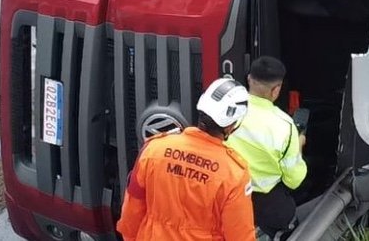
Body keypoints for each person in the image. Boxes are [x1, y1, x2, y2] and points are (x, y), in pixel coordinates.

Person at [117, 77, 256, 241]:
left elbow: (132, 209)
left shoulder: (153, 149)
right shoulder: (234, 173)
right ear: (231, 125)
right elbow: (240, 235)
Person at [227, 57, 307, 238]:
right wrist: (299, 145)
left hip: (226, 193)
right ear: (276, 90)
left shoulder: (227, 111)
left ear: (248, 79)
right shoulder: (285, 126)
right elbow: (293, 181)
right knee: (289, 222)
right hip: (262, 203)